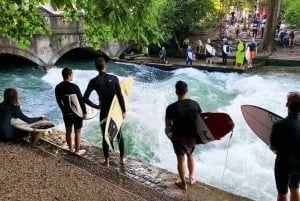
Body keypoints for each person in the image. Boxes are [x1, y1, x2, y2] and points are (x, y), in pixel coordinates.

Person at [84, 57, 126, 167]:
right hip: (114, 111)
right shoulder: (114, 78)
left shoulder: (94, 81)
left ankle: (106, 161)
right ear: (104, 66)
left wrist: (96, 106)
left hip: (104, 111)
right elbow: (120, 96)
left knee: (105, 136)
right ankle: (122, 158)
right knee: (119, 133)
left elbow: (85, 98)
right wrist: (123, 110)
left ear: (96, 68)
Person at [165, 80, 202, 190]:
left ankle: (183, 183)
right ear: (187, 91)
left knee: (180, 159)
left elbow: (167, 126)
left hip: (178, 137)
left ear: (176, 92)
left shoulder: (171, 108)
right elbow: (201, 121)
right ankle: (191, 178)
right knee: (190, 155)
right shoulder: (195, 104)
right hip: (191, 136)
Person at [270, 92, 300, 201]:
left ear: (287, 105)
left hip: (284, 163)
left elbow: (273, 147)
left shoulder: (278, 125)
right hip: (299, 163)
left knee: (282, 193)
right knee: (295, 188)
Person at [55, 67, 87, 155]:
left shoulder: (58, 87)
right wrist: (84, 112)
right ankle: (77, 150)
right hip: (76, 112)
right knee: (78, 131)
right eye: (72, 74)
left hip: (66, 112)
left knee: (68, 131)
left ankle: (70, 148)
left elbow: (58, 101)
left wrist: (62, 109)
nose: (73, 76)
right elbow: (81, 100)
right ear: (69, 75)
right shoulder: (75, 87)